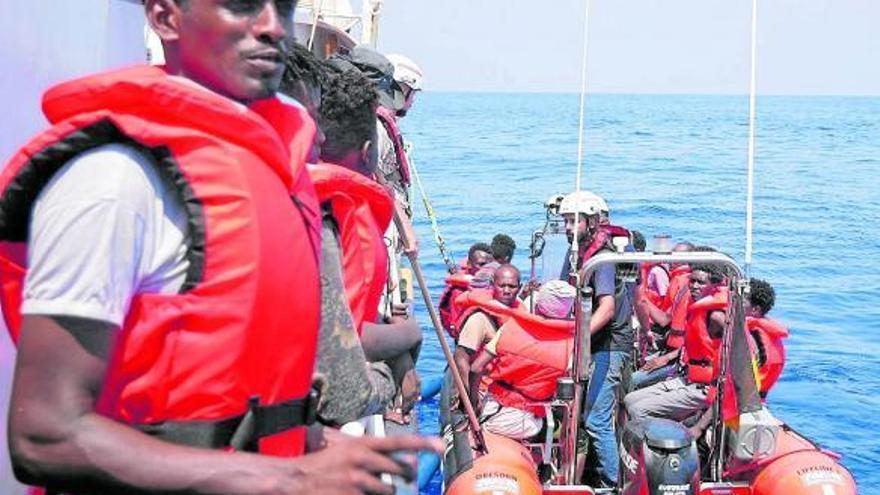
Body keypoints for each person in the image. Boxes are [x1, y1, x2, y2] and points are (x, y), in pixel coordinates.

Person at [1, 1, 438, 493]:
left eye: (284, 7)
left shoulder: (267, 185)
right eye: (241, 6)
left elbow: (245, 397)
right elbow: (44, 436)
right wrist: (290, 475)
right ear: (165, 17)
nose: (272, 26)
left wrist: (318, 444)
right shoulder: (114, 182)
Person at [279, 42, 399, 425]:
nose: (314, 139)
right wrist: (397, 361)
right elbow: (344, 388)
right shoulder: (326, 216)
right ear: (367, 153)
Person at [558, 191, 634, 488]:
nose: (567, 228)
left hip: (609, 346)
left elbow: (607, 308)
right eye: (565, 221)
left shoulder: (601, 260)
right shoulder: (576, 253)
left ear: (590, 223)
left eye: (573, 222)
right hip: (592, 344)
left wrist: (575, 334)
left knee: (596, 419)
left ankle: (612, 485)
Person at [624, 263, 729, 435]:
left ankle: (656, 451)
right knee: (629, 400)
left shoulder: (716, 316)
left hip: (704, 387)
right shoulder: (695, 308)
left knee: (638, 409)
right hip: (687, 377)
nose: (694, 286)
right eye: (692, 281)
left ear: (714, 287)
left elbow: (731, 354)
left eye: (700, 283)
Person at [469, 281, 576, 440]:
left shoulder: (511, 327)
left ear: (537, 306)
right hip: (524, 423)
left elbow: (476, 368)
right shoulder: (571, 346)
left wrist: (473, 404)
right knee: (578, 439)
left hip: (491, 410)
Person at [451, 264, 522, 408]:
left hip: (510, 388)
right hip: (484, 389)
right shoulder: (479, 319)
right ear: (492, 285)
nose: (507, 291)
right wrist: (470, 399)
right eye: (502, 286)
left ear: (519, 288)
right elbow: (461, 357)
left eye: (512, 286)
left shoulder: (522, 311)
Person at [631, 242, 696, 389]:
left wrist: (641, 298)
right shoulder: (677, 279)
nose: (670, 258)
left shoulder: (683, 282)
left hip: (675, 358)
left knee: (632, 381)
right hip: (669, 346)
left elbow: (663, 320)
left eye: (676, 255)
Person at [745, 278, 789, 399]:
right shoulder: (768, 331)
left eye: (741, 301)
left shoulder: (753, 336)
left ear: (755, 310)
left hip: (745, 400)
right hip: (760, 397)